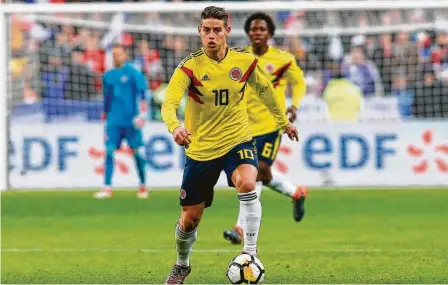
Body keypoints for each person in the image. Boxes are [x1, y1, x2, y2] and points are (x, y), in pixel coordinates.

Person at [161, 6, 299, 284]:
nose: (211, 36)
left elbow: (266, 91)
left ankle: (250, 253)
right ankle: (182, 264)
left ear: (227, 31)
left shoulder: (244, 62)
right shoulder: (189, 66)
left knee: (249, 182)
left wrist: (283, 121)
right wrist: (175, 127)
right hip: (201, 150)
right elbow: (169, 103)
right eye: (206, 30)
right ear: (200, 32)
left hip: (237, 140)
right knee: (190, 219)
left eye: (216, 30)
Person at [223, 12, 308, 245]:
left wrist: (294, 105)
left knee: (256, 172)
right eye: (253, 29)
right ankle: (295, 192)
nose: (257, 32)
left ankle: (240, 228)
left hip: (272, 124)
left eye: (261, 29)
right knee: (262, 174)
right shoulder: (239, 58)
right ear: (248, 33)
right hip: (243, 126)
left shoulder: (283, 59)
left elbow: (299, 82)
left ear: (270, 33)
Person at [93, 44, 149, 199]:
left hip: (131, 120)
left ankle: (143, 186)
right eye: (113, 55)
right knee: (109, 151)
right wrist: (105, 118)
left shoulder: (133, 73)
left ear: (125, 55)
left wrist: (142, 115)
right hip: (113, 121)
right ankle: (107, 187)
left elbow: (143, 94)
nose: (116, 57)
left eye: (118, 54)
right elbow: (107, 99)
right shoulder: (108, 75)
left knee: (136, 152)